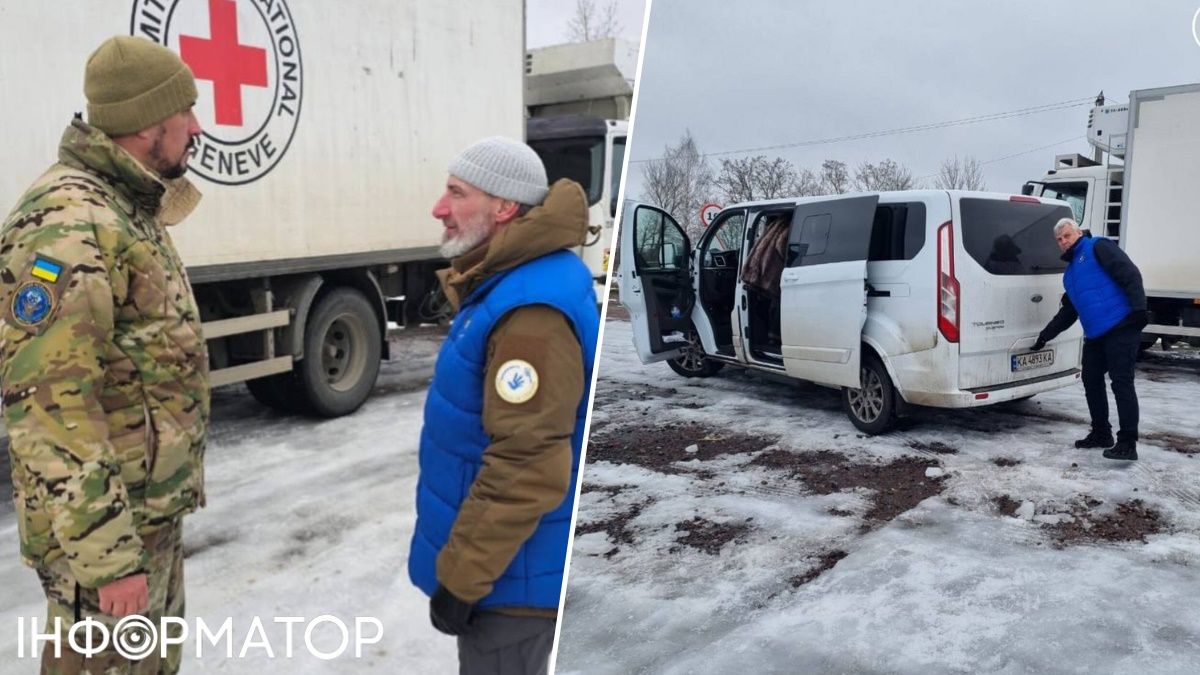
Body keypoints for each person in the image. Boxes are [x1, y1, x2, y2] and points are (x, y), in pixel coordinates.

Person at [0, 36, 208, 672]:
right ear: (150, 123)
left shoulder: (125, 206)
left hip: (143, 524)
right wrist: (109, 560)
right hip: (110, 547)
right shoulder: (68, 222)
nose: (197, 127)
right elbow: (48, 409)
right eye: (187, 112)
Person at [408, 137, 599, 674]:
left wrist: (464, 577)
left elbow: (528, 463)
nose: (438, 208)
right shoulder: (515, 282)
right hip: (512, 571)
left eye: (456, 193)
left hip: (515, 592)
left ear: (504, 207)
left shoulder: (530, 312)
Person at [1032, 218, 1147, 461]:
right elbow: (1069, 312)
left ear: (1078, 232)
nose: (1063, 241)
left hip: (1122, 324)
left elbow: (1129, 273)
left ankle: (1127, 442)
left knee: (1121, 382)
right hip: (1096, 334)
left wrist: (1139, 310)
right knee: (1091, 380)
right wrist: (1045, 335)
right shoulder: (1070, 274)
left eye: (1067, 235)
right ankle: (1101, 433)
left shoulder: (1098, 247)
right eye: (1059, 239)